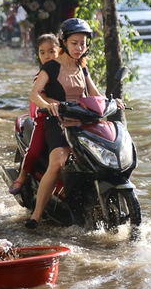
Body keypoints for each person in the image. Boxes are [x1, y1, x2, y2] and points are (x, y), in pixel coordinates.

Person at [24, 18, 123, 229]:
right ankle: (37, 215)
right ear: (65, 43)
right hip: (57, 122)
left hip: (82, 122)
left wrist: (112, 101)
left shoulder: (82, 68)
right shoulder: (50, 68)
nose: (80, 47)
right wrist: (47, 105)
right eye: (75, 43)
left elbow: (95, 95)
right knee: (58, 161)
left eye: (83, 43)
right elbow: (34, 94)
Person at [8, 34, 61, 195]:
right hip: (44, 118)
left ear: (60, 50)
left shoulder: (68, 71)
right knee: (35, 149)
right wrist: (53, 104)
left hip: (68, 118)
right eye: (42, 52)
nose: (47, 56)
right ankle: (22, 176)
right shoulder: (42, 76)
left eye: (51, 51)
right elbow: (40, 96)